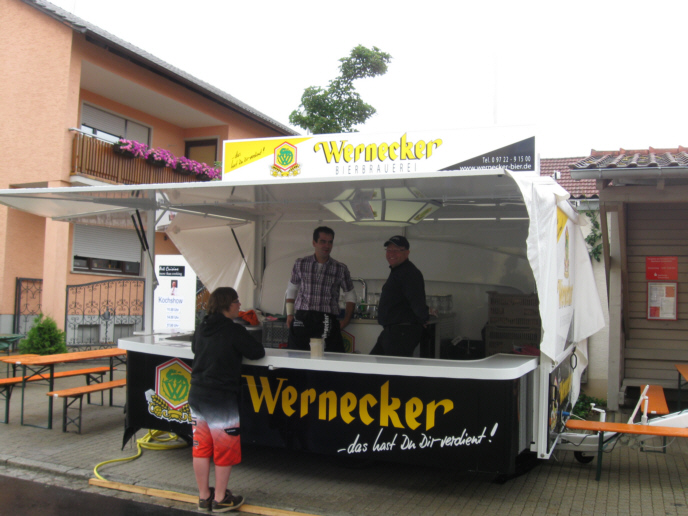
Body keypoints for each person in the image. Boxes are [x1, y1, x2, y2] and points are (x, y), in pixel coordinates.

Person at [189, 287, 265, 512]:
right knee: (224, 448)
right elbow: (257, 352)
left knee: (200, 447)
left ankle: (204, 497)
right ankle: (221, 498)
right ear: (226, 305)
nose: (239, 305)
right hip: (220, 397)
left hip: (197, 394)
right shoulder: (233, 330)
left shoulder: (202, 327)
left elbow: (194, 348)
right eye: (236, 301)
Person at [285, 226, 357, 353]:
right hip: (303, 317)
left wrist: (346, 320)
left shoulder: (340, 268)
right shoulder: (300, 263)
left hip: (327, 319)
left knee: (331, 358)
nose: (327, 246)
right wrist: (289, 314)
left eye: (330, 242)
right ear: (314, 243)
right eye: (323, 241)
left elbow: (350, 294)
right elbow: (292, 288)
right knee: (297, 357)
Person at [371, 235, 434, 357]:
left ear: (407, 252)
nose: (391, 253)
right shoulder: (398, 271)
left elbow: (416, 301)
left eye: (396, 250)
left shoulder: (409, 273)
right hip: (393, 332)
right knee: (375, 363)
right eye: (389, 250)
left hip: (401, 332)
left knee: (388, 367)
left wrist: (423, 317)